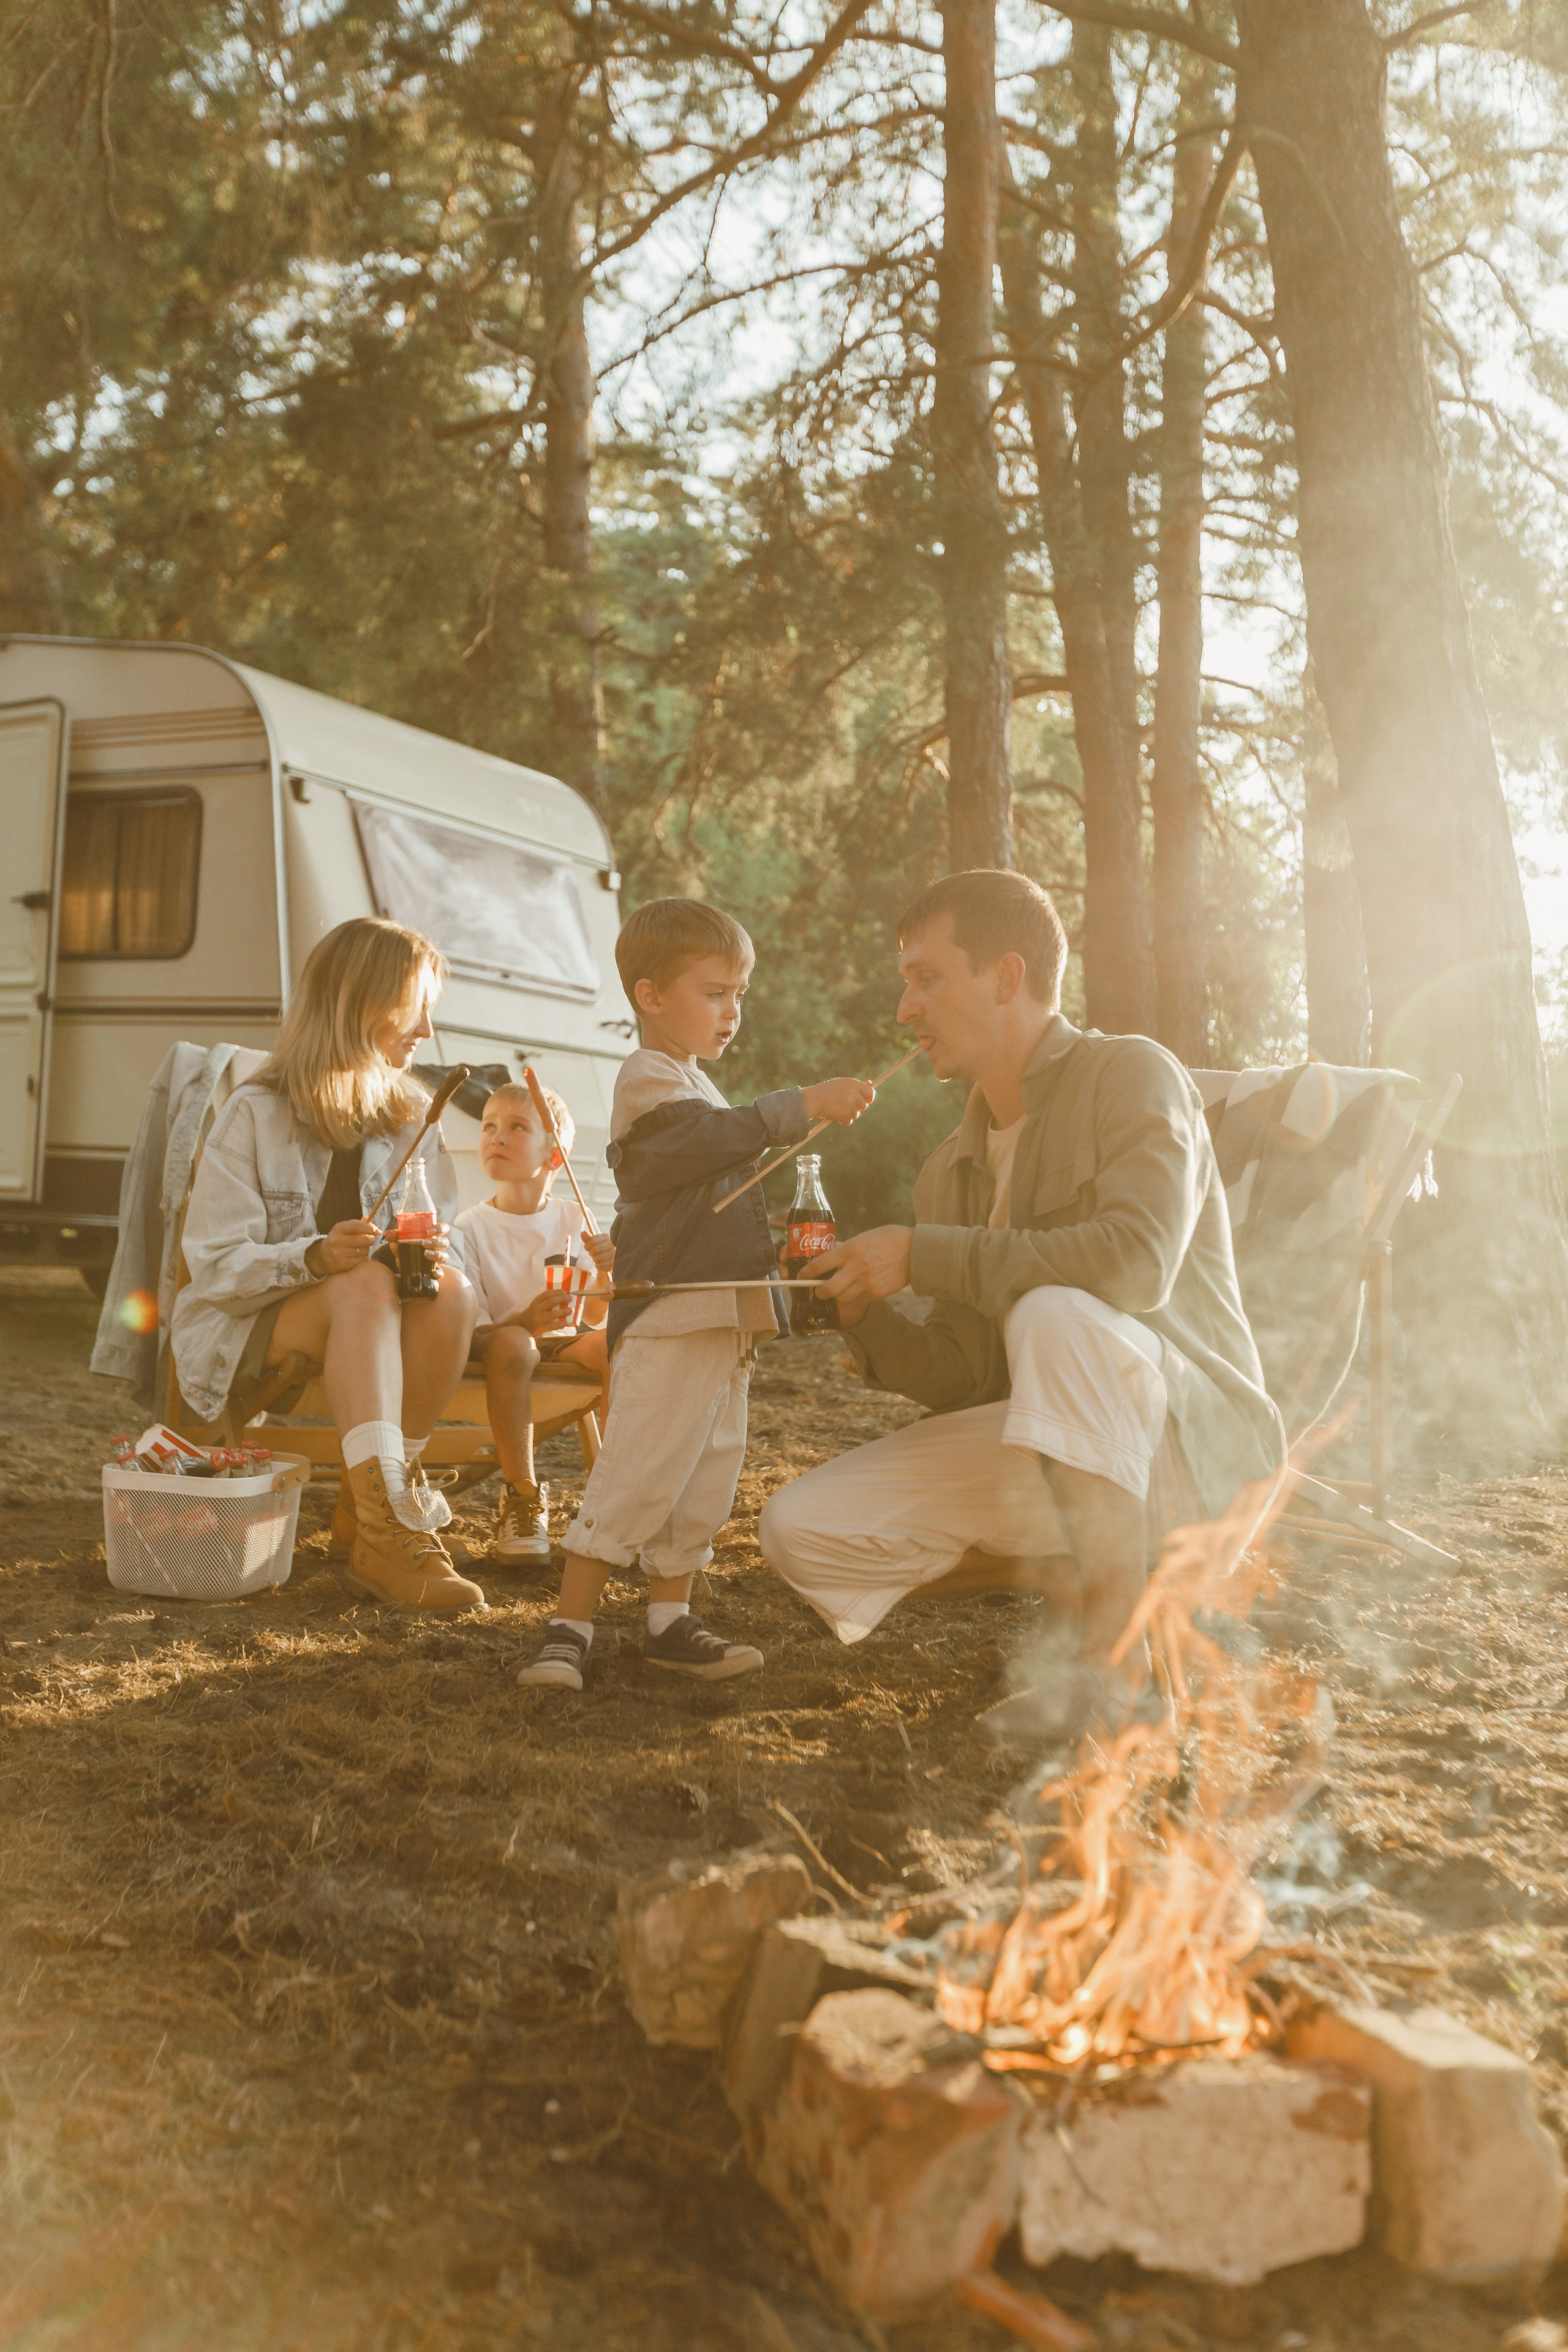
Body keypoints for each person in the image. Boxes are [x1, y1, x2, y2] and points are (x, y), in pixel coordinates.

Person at [758, 869, 1283, 1741]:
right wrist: (864, 1313)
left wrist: (923, 1256)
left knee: (1055, 1312)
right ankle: (1097, 1580)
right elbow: (969, 1379)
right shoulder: (948, 1168)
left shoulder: (1134, 1075)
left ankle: (1114, 1670)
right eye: (905, 982)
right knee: (799, 1528)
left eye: (927, 978)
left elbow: (1137, 1263)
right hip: (1074, 1458)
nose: (903, 1010)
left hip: (1193, 1452)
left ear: (1006, 978)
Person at [516, 897, 875, 1692]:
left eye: (739, 995)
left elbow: (700, 1196)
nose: (732, 1012)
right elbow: (678, 1153)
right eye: (716, 992)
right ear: (651, 997)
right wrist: (798, 1106)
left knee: (706, 1474)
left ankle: (667, 1622)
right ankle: (566, 1628)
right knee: (640, 1467)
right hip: (673, 1320)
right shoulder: (650, 1077)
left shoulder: (698, 1087)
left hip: (721, 1321)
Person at [173, 916, 484, 1614]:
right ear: (359, 1001)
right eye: (417, 1008)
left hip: (372, 1318)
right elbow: (216, 1265)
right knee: (365, 1285)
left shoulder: (411, 1118)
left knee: (454, 1291)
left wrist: (431, 1257)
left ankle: (376, 1512)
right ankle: (391, 1525)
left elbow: (450, 1245)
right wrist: (313, 1256)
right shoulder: (254, 1113)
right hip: (247, 1322)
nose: (427, 1031)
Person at [455, 1080, 615, 1564]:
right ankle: (521, 1497)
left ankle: (619, 1496)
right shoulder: (469, 1227)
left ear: (554, 1158)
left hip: (562, 1344)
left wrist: (608, 1272)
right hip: (500, 1346)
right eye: (489, 1126)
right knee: (516, 1345)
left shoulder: (574, 1220)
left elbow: (592, 1314)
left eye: (516, 1127)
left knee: (621, 1342)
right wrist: (526, 1320)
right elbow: (473, 1332)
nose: (496, 1137)